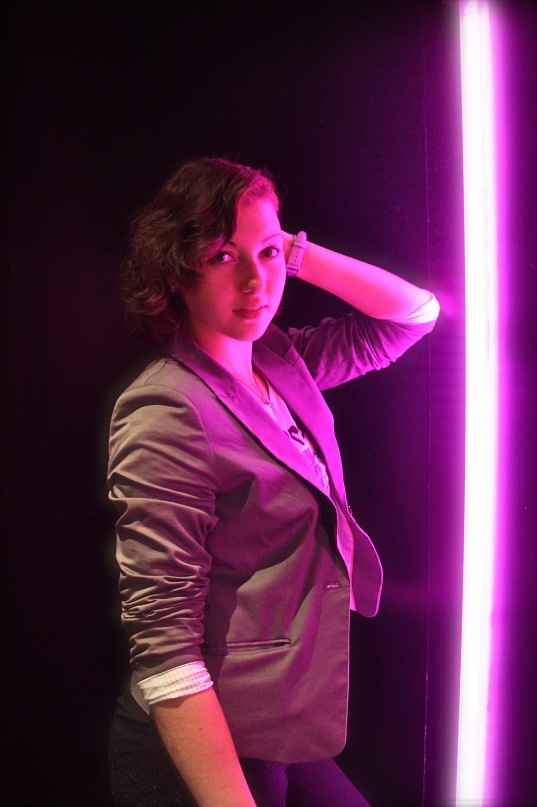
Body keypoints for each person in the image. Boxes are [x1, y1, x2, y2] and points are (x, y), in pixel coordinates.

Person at [107, 157, 439, 807]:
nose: (256, 281)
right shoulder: (165, 409)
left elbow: (413, 315)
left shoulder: (282, 362)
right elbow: (165, 651)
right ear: (175, 269)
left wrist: (293, 251)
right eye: (222, 256)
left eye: (267, 254)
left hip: (277, 722)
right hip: (201, 743)